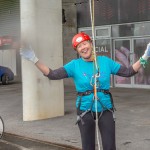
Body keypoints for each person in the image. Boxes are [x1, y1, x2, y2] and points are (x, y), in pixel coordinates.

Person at [20, 32, 150, 150]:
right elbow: (53, 74)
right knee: (88, 147)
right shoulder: (74, 65)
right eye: (79, 46)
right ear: (77, 50)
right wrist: (34, 59)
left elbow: (128, 72)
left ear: (91, 44)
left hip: (105, 108)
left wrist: (145, 56)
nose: (83, 47)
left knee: (110, 146)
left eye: (84, 43)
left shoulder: (105, 62)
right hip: (85, 110)